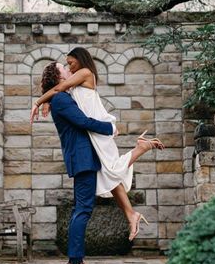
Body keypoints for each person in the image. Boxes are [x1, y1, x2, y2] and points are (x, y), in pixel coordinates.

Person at [31, 47, 165, 242]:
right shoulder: (73, 82)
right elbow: (58, 88)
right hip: (93, 131)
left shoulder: (85, 73)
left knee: (110, 169)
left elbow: (58, 88)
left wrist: (38, 102)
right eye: (66, 65)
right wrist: (47, 100)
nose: (70, 67)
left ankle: (140, 149)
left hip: (99, 127)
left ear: (80, 59)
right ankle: (130, 214)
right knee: (107, 173)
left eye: (71, 63)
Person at [36, 62, 117, 264]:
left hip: (81, 158)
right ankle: (75, 263)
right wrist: (110, 128)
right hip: (82, 158)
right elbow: (82, 121)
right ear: (57, 76)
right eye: (64, 67)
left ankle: (75, 261)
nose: (68, 69)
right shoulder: (61, 99)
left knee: (80, 209)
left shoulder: (61, 96)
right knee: (83, 210)